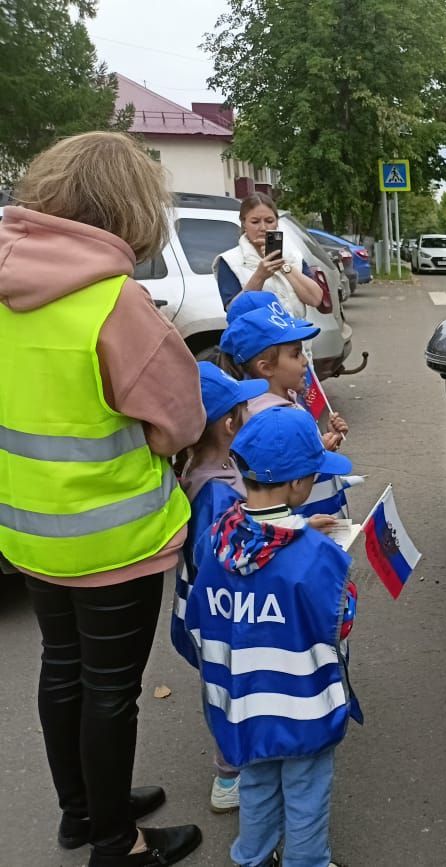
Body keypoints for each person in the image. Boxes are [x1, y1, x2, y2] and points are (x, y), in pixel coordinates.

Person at [0, 131, 204, 866]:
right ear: (127, 208)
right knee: (111, 689)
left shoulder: (6, 290)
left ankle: (83, 812)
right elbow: (178, 421)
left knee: (61, 668)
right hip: (113, 538)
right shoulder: (112, 303)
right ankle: (120, 843)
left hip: (29, 528)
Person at [185, 408, 361, 867]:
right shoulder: (318, 556)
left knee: (258, 781)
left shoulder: (214, 539)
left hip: (239, 701)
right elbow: (339, 623)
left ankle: (252, 856)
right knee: (306, 789)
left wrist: (303, 529)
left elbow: (202, 613)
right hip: (301, 704)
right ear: (299, 486)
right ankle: (307, 862)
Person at [171, 362, 269, 813]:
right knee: (228, 690)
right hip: (220, 616)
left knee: (223, 686)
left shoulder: (203, 467)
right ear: (231, 423)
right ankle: (230, 777)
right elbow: (225, 562)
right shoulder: (218, 495)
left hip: (202, 611)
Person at [219, 305, 348, 447]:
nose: (305, 361)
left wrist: (327, 441)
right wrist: (321, 452)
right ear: (266, 368)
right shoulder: (272, 422)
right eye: (296, 354)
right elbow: (291, 468)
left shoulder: (287, 398)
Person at [214, 192, 322, 317]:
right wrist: (259, 276)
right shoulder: (229, 260)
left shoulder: (293, 255)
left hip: (296, 334)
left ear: (277, 222)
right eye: (255, 222)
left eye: (269, 221)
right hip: (258, 336)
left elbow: (315, 299)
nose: (263, 227)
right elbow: (234, 312)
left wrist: (284, 266)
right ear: (244, 223)